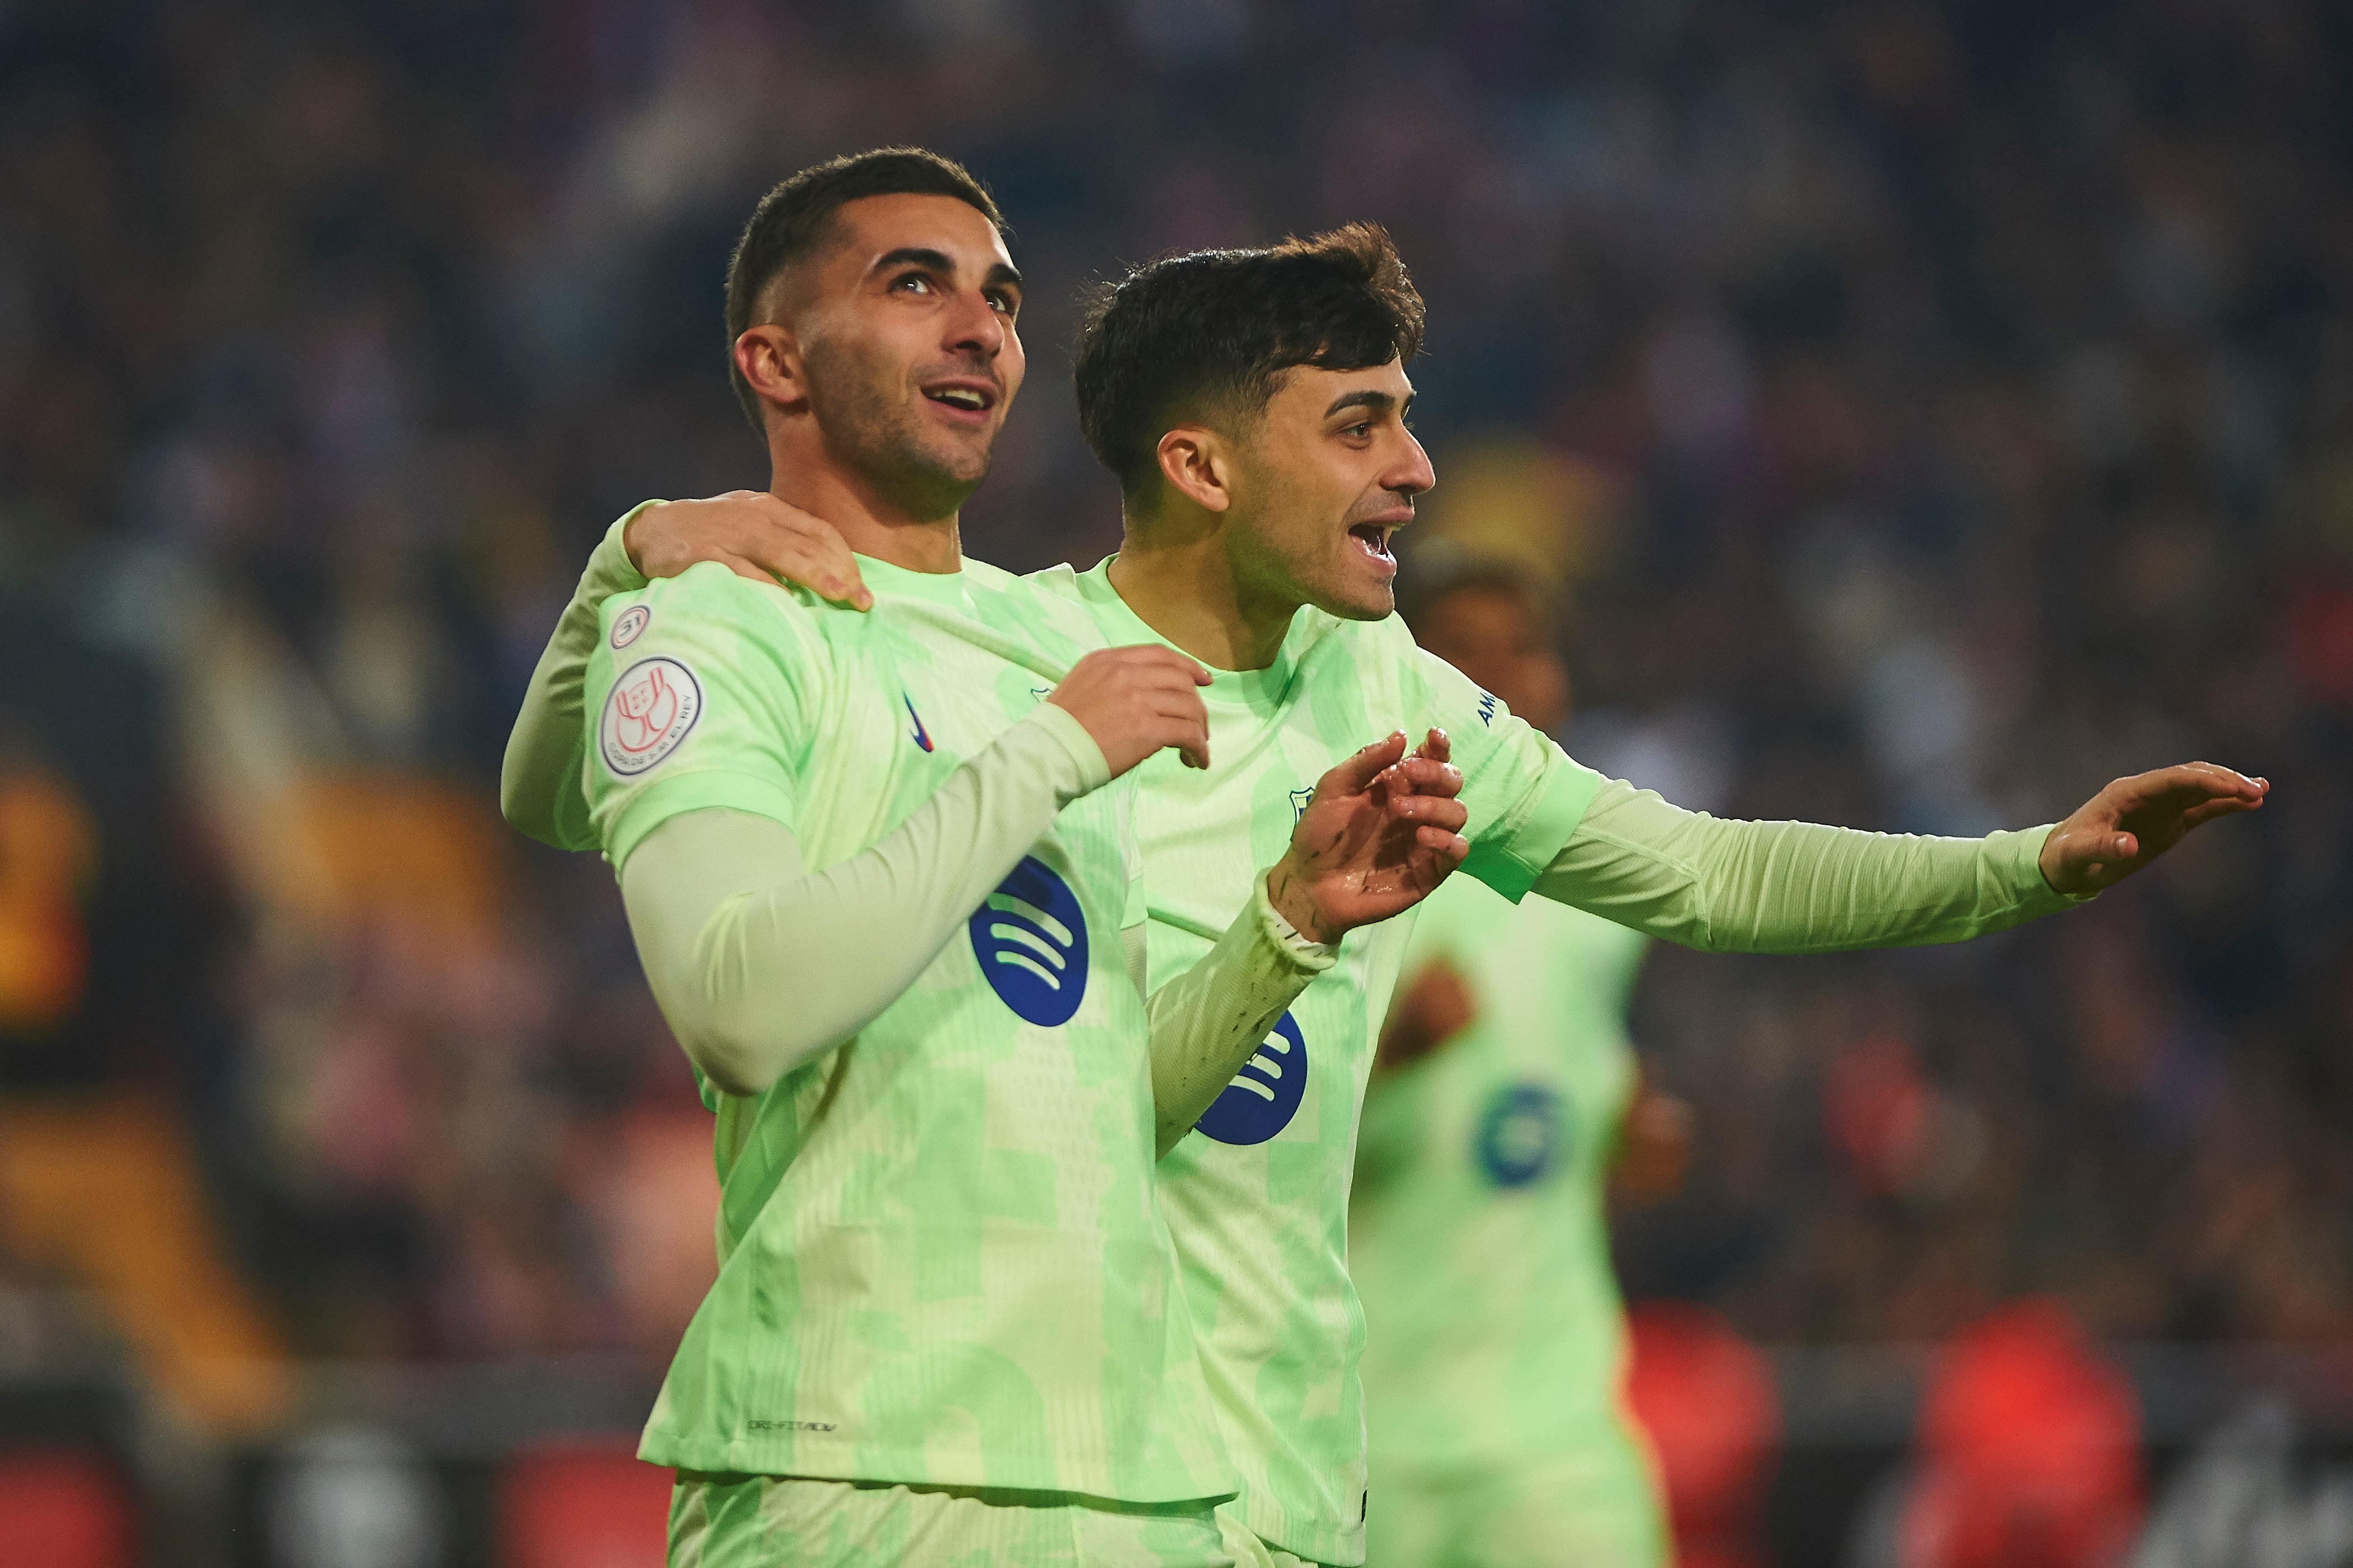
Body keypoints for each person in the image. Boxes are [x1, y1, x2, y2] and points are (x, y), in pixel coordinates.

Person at [508, 192, 2268, 1568]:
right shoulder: (992, 662)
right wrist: (641, 568)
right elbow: (603, 787)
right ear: (1200, 464)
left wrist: (2025, 869)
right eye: (1359, 427)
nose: (1415, 472)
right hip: (992, 1464)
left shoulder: (1396, 697)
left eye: (1405, 424)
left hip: (1279, 1473)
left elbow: (1701, 868)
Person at [526, 149, 1474, 1567]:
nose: (983, 328)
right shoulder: (728, 619)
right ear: (774, 361)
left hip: (1128, 1479)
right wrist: (632, 570)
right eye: (916, 285)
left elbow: (1117, 1086)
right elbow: (733, 1006)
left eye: (1004, 298)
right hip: (854, 1474)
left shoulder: (1053, 644)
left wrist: (1284, 927)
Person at [1348, 551, 1682, 1567]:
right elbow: (1227, 1133)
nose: (1503, 682)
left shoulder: (1597, 909)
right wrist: (1387, 1052)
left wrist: (1631, 1120)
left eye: (1523, 651)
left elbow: (1575, 1068)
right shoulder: (1347, 880)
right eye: (1466, 657)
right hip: (1371, 1431)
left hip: (1556, 1427)